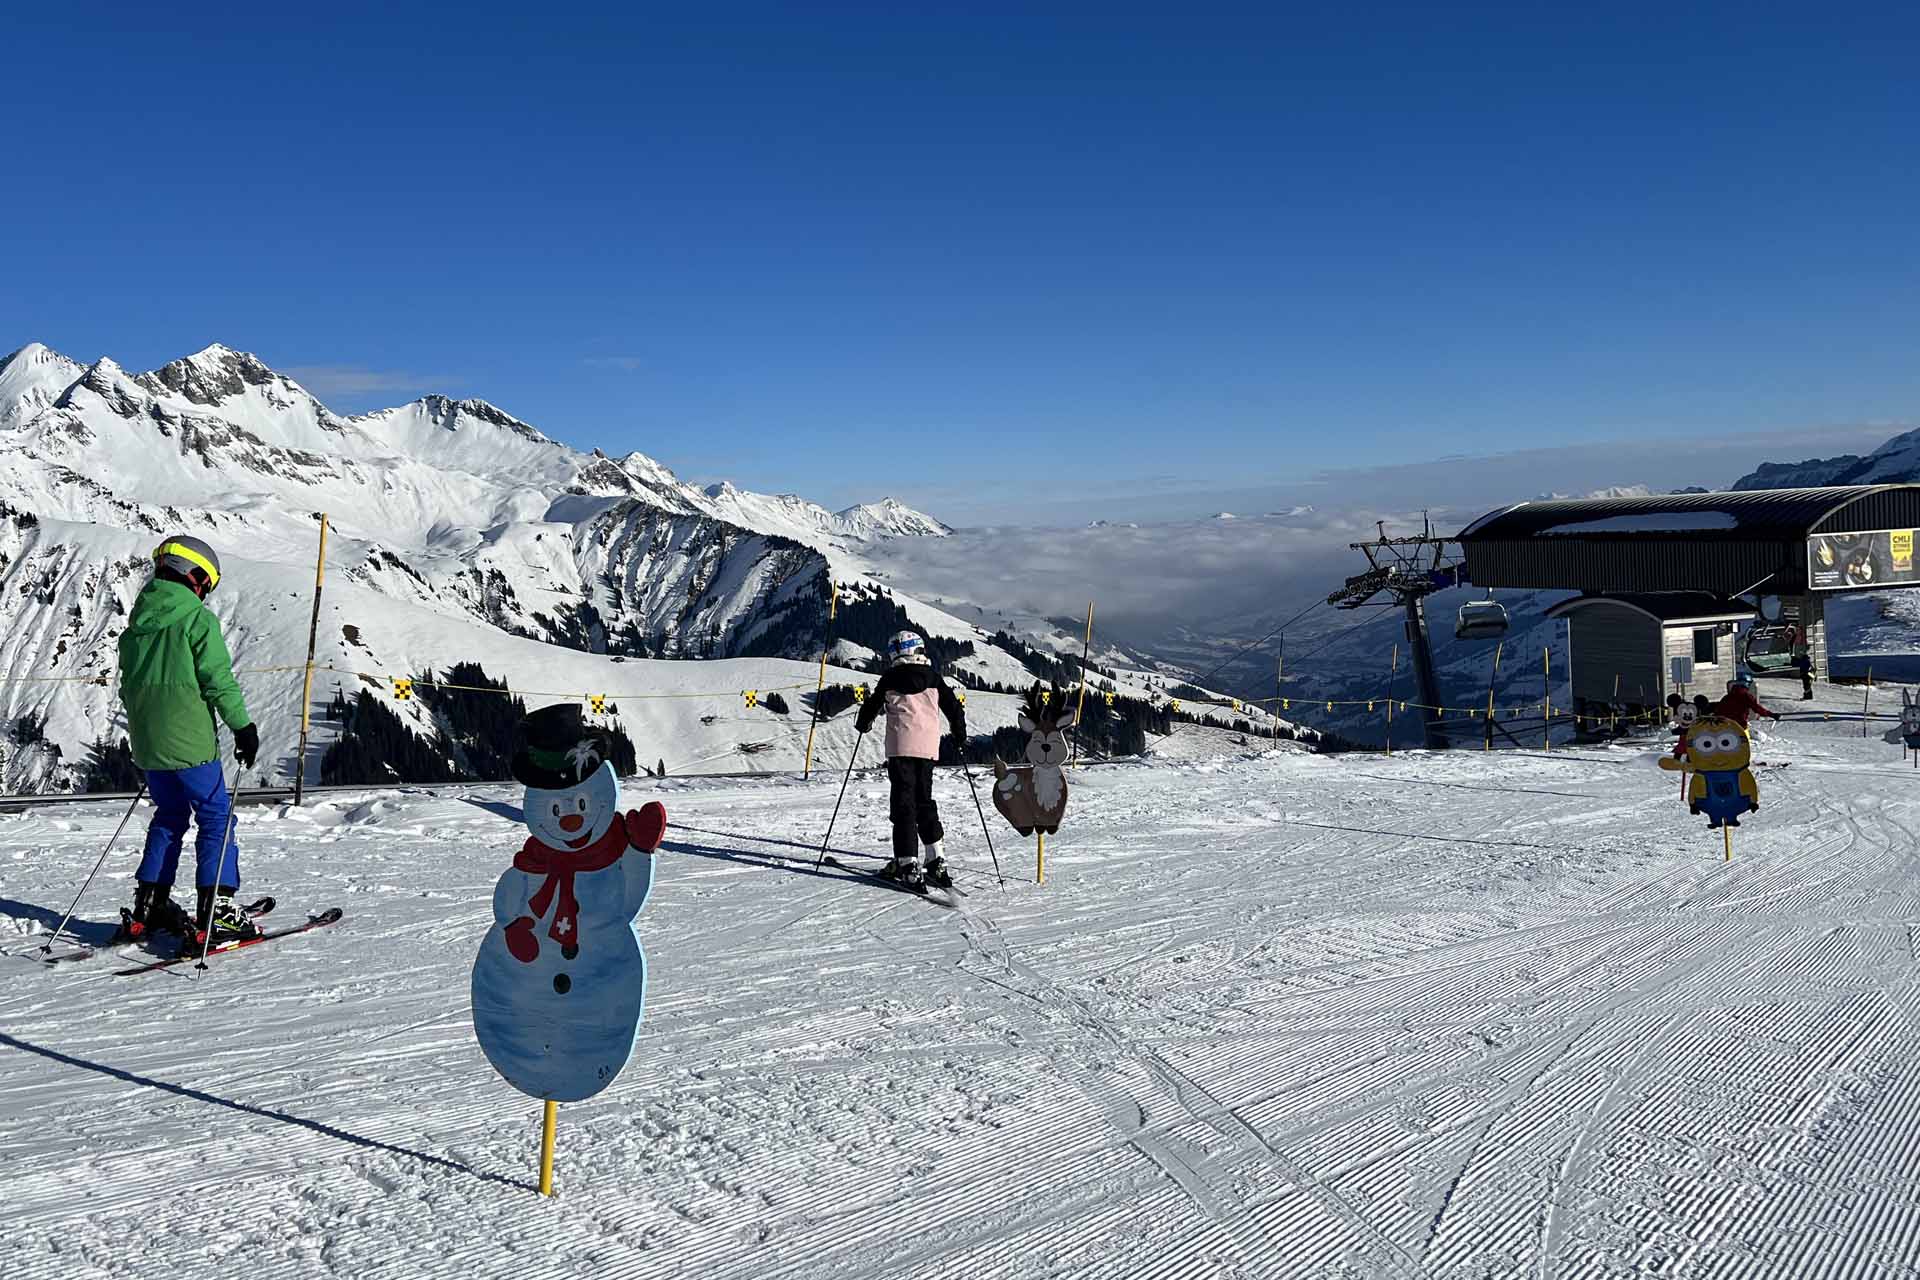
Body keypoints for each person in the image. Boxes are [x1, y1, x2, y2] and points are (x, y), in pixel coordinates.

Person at [115, 535, 262, 949]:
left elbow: (128, 689)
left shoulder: (136, 627)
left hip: (149, 745)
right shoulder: (196, 620)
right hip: (192, 744)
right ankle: (218, 911)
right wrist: (242, 727)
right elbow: (218, 680)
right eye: (206, 584)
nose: (205, 594)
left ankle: (150, 904)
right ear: (194, 576)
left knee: (170, 815)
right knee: (216, 817)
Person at [854, 631, 966, 888]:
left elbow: (871, 706)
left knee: (904, 803)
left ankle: (907, 863)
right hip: (928, 748)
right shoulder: (934, 678)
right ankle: (935, 860)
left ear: (895, 652)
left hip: (900, 748)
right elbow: (954, 708)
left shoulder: (890, 678)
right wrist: (959, 734)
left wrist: (863, 724)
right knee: (924, 800)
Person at [1714, 673, 1780, 730]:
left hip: (1724, 727)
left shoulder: (1727, 697)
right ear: (1747, 684)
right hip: (1739, 727)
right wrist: (1771, 714)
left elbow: (1718, 711)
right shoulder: (1746, 696)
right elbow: (1757, 708)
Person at [1790, 626, 1814, 700]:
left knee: (1806, 678)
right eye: (1796, 630)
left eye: (1798, 630)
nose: (1797, 631)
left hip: (1804, 661)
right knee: (1805, 678)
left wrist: (1802, 653)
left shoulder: (1802, 639)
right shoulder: (1796, 638)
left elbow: (1806, 648)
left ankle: (1808, 694)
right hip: (1801, 661)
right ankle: (1807, 693)